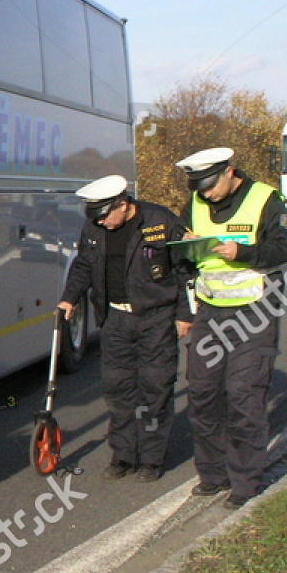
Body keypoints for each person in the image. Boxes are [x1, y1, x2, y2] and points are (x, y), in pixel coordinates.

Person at [176, 147, 287, 506]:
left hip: (255, 312)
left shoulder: (265, 199)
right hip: (210, 312)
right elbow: (184, 261)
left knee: (244, 394)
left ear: (230, 172)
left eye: (211, 185)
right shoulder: (195, 204)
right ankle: (213, 475)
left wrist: (242, 253)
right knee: (203, 393)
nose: (206, 193)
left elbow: (286, 247)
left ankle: (245, 483)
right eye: (199, 187)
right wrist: (183, 250)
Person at [59, 175, 193, 482]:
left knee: (155, 387)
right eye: (95, 217)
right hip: (115, 319)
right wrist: (70, 298)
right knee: (118, 389)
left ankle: (151, 460)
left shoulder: (161, 220)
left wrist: (186, 314)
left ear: (123, 204)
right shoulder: (95, 226)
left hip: (156, 317)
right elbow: (83, 265)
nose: (101, 222)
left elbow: (186, 267)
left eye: (105, 216)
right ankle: (123, 456)